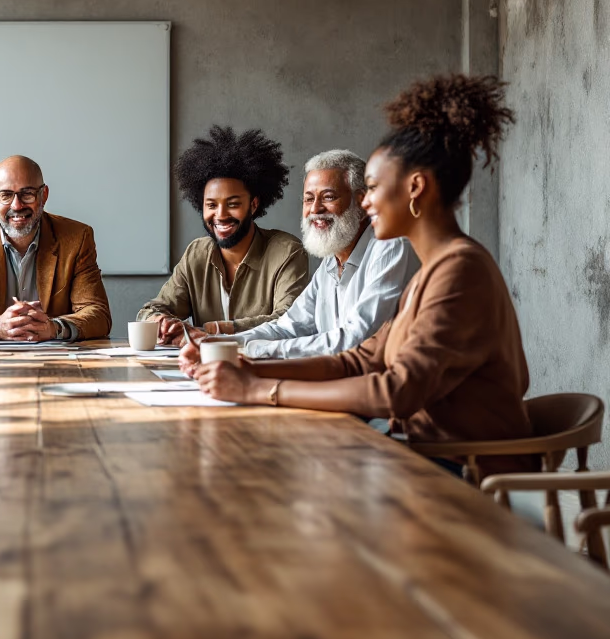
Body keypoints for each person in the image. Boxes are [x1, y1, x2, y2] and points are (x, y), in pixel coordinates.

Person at [183, 74, 536, 476]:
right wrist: (248, 367)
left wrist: (261, 389)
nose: (365, 204)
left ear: (415, 188)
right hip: (413, 451)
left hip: (458, 470)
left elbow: (397, 391)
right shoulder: (432, 272)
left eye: (372, 188)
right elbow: (358, 361)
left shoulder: (461, 271)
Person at [221, 149, 419, 359]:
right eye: (309, 199)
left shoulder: (390, 246)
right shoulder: (331, 262)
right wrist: (219, 342)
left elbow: (358, 340)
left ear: (361, 202)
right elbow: (287, 328)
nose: (315, 209)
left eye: (328, 197)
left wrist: (256, 349)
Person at [137, 126, 309, 345]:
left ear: (253, 204)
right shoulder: (197, 253)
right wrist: (160, 321)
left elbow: (289, 322)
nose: (220, 215)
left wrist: (216, 330)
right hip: (203, 364)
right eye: (211, 205)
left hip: (262, 362)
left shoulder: (287, 251)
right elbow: (152, 309)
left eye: (233, 204)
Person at [0, 155, 111, 340]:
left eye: (27, 194)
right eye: (5, 195)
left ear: (44, 195)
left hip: (53, 355)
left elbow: (98, 314)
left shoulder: (76, 238)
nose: (17, 205)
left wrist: (54, 328)